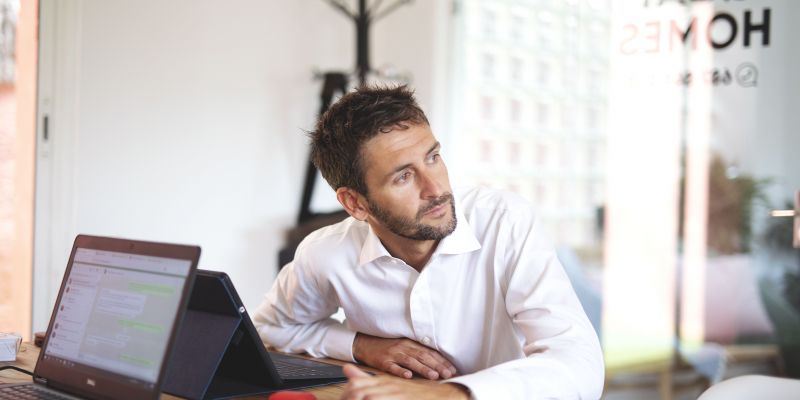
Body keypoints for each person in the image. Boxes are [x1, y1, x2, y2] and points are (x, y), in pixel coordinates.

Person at [253, 85, 604, 399]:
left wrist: (451, 394)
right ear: (355, 203)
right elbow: (271, 327)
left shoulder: (504, 221)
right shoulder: (326, 252)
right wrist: (362, 346)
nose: (436, 189)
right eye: (403, 177)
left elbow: (579, 361)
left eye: (433, 158)